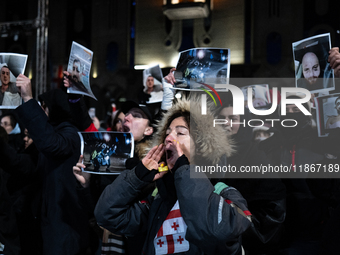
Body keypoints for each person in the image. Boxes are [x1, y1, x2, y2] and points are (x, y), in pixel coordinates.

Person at [93, 96, 251, 254]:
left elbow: (215, 231)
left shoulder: (225, 194)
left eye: (180, 133)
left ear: (202, 146)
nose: (169, 138)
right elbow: (107, 215)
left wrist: (185, 170)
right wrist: (136, 177)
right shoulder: (159, 197)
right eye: (167, 133)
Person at [15, 74, 91, 254]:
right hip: (54, 223)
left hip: (65, 229)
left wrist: (28, 98)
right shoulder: (57, 131)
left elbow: (51, 145)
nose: (42, 110)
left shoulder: (70, 133)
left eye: (45, 106)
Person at [216, 93, 286, 255]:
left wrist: (241, 227)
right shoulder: (211, 155)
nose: (226, 123)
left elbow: (274, 207)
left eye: (233, 118)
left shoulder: (255, 156)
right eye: (221, 118)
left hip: (250, 244)